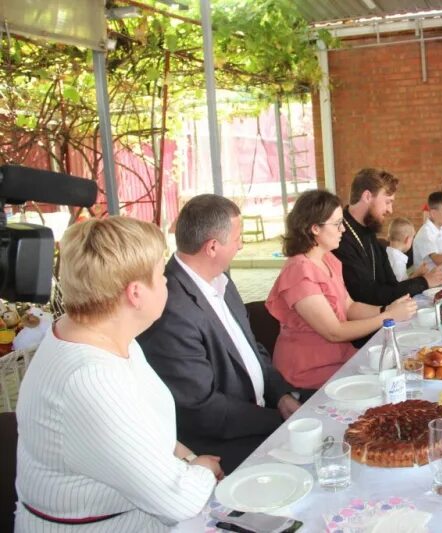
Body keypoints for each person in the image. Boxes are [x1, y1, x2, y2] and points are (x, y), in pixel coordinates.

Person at [15, 217, 220, 531]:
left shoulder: (97, 333)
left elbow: (144, 424)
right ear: (135, 293)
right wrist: (203, 468)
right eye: (161, 274)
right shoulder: (91, 379)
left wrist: (189, 458)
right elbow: (178, 500)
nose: (167, 282)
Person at [138, 194, 299, 473]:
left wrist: (282, 394)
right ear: (212, 247)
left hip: (258, 416)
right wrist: (276, 420)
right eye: (238, 237)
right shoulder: (171, 308)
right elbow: (202, 409)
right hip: (223, 443)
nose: (241, 244)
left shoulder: (222, 281)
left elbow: (253, 349)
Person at [266, 190, 417, 390]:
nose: (343, 230)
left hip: (337, 360)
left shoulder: (328, 259)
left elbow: (349, 306)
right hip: (309, 372)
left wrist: (387, 308)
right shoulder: (298, 272)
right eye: (337, 224)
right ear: (315, 229)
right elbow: (334, 332)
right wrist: (388, 317)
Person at [333, 168, 442, 333]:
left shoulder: (368, 231)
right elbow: (368, 295)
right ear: (367, 196)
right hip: (364, 328)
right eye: (387, 201)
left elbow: (391, 284)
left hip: (384, 317)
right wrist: (424, 282)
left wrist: (421, 280)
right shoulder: (340, 238)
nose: (390, 210)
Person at [386, 217, 427, 282]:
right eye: (412, 239)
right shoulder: (398, 260)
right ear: (407, 239)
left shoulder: (385, 253)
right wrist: (417, 274)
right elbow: (401, 286)